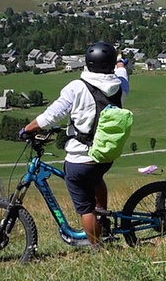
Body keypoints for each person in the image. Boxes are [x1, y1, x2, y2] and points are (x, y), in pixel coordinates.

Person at [19, 41, 130, 246]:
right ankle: (103, 221)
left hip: (81, 160)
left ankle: (98, 249)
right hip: (105, 156)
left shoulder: (77, 87)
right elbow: (123, 74)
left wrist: (27, 129)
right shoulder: (119, 87)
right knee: (96, 179)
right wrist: (121, 63)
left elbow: (51, 116)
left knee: (85, 209)